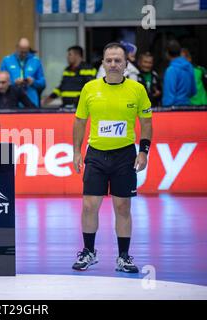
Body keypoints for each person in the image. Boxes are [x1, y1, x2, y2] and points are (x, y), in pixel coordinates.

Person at [72, 42, 153, 273]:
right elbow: (80, 121)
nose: (113, 64)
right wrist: (77, 151)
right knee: (89, 206)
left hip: (124, 155)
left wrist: (144, 151)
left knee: (122, 207)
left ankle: (124, 257)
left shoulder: (137, 90)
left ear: (126, 63)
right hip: (96, 154)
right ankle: (88, 252)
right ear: (103, 63)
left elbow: (146, 123)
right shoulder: (90, 88)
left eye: (118, 60)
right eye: (109, 60)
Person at [0, 37, 46, 108]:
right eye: (21, 52)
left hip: (31, 101)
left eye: (26, 52)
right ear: (17, 48)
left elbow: (43, 82)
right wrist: (13, 83)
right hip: (12, 102)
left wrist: (33, 82)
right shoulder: (7, 61)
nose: (23, 54)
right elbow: (1, 81)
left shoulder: (36, 61)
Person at [162, 40, 196, 107]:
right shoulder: (190, 67)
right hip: (187, 107)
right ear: (180, 52)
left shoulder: (171, 70)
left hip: (174, 111)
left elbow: (169, 97)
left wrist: (165, 110)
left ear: (167, 53)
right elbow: (193, 91)